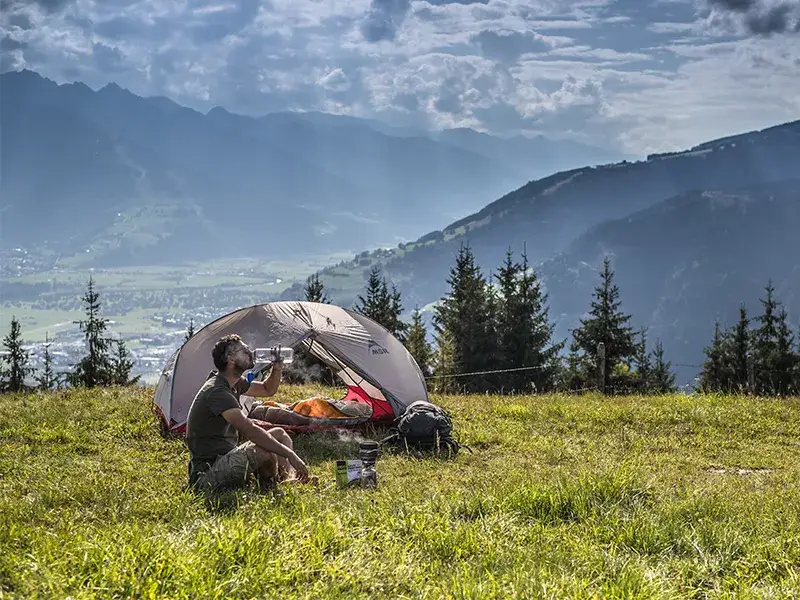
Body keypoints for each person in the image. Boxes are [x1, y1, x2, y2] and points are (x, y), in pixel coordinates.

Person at [185, 334, 311, 493]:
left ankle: (289, 479)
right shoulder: (217, 391)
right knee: (265, 449)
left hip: (226, 457)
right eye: (244, 351)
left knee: (279, 434)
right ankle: (272, 485)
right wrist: (290, 454)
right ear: (231, 359)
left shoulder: (234, 383)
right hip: (207, 473)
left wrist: (277, 367)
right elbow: (249, 429)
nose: (250, 352)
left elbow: (267, 389)